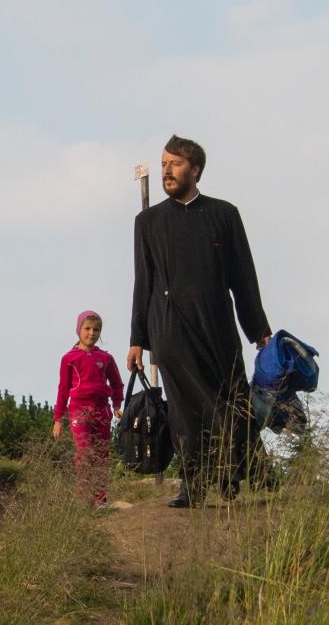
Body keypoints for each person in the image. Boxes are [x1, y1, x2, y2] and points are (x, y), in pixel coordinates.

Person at [128, 135, 273, 507]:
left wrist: (259, 331)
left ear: (196, 170)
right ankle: (192, 485)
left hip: (217, 326)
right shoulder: (148, 221)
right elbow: (143, 282)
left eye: (174, 164)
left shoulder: (225, 215)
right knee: (184, 409)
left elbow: (243, 278)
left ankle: (240, 474)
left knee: (231, 400)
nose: (166, 171)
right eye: (163, 164)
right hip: (170, 328)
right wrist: (137, 339)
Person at [52, 310, 126, 506]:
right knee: (84, 454)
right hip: (78, 410)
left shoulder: (106, 358)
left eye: (96, 329)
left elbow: (117, 383)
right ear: (78, 330)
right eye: (87, 329)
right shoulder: (69, 358)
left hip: (102, 411)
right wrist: (58, 419)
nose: (91, 333)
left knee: (101, 454)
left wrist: (117, 404)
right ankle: (83, 498)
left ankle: (100, 499)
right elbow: (63, 389)